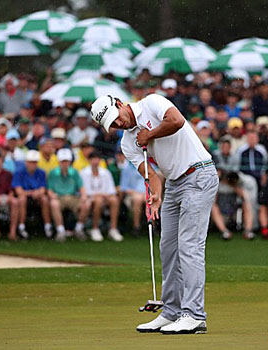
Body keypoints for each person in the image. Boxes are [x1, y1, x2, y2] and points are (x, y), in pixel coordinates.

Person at [91, 92, 217, 334]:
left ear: (119, 104)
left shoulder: (152, 103)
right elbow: (151, 175)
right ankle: (172, 312)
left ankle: (195, 315)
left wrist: (149, 135)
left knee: (189, 246)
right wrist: (156, 196)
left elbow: (176, 121)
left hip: (200, 174)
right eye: (112, 125)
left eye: (116, 118)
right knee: (168, 247)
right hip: (173, 184)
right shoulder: (127, 143)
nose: (118, 125)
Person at [80, 152, 123, 242]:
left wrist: (104, 196)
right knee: (98, 200)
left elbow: (111, 190)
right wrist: (101, 195)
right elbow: (87, 192)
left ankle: (113, 229)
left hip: (104, 198)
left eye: (97, 159)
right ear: (89, 160)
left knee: (114, 200)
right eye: (93, 159)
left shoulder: (106, 172)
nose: (96, 161)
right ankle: (95, 229)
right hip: (90, 199)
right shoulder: (84, 173)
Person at [48, 149, 89, 242]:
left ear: (70, 162)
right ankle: (60, 231)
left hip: (72, 197)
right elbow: (50, 189)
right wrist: (52, 195)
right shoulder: (53, 173)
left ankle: (79, 229)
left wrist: (84, 196)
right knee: (54, 204)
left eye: (66, 161)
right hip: (59, 197)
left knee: (86, 204)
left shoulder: (74, 172)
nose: (65, 164)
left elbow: (81, 187)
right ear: (59, 162)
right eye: (63, 161)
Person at [12, 150, 52, 239]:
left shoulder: (41, 172)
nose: (33, 164)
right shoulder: (19, 172)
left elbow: (43, 189)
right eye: (30, 162)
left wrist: (37, 193)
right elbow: (18, 191)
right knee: (22, 199)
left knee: (44, 199)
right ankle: (21, 227)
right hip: (25, 198)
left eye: (34, 162)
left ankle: (48, 227)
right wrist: (32, 193)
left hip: (37, 198)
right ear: (26, 162)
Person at [0, 150, 19, 241]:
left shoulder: (7, 174)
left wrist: (9, 197)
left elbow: (11, 190)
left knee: (15, 202)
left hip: (4, 197)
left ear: (1, 159)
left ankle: (12, 232)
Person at [119, 160, 146, 237]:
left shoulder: (148, 167)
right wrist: (135, 192)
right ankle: (136, 227)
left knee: (149, 200)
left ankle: (152, 227)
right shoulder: (127, 169)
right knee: (137, 199)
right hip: (131, 194)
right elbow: (123, 187)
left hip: (145, 193)